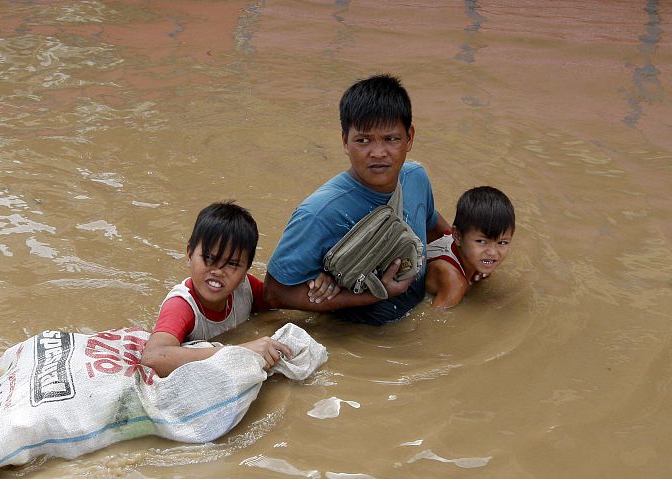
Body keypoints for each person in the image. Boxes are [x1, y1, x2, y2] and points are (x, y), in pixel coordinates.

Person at [265, 74, 450, 325]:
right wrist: (372, 296)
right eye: (363, 140)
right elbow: (275, 294)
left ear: (410, 138)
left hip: (415, 319)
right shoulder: (318, 213)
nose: (378, 153)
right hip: (355, 335)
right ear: (345, 141)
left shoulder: (416, 178)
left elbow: (434, 227)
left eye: (391, 139)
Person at [141, 201, 292, 377]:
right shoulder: (182, 306)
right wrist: (240, 352)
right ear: (189, 255)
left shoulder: (246, 288)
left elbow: (284, 302)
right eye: (209, 258)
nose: (218, 271)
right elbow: (152, 358)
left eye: (233, 264)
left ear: (245, 271)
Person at [424, 186, 515, 308]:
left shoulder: (470, 253)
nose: (493, 252)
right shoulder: (455, 283)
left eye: (502, 243)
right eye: (482, 241)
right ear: (457, 236)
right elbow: (434, 320)